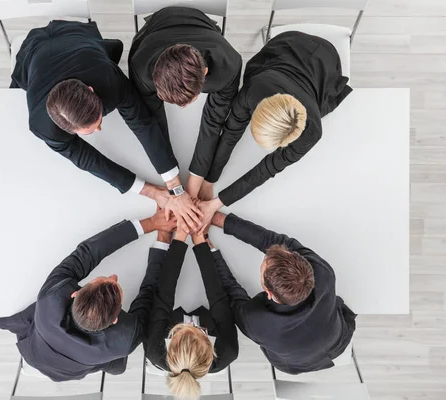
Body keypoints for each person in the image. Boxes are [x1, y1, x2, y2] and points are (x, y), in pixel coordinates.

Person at [11, 20, 201, 232]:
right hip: (35, 51)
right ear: (66, 129)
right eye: (90, 131)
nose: (100, 130)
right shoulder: (42, 126)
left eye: (99, 120)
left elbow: (142, 122)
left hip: (75, 35)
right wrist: (151, 192)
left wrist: (175, 186)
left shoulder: (109, 79)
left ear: (92, 91)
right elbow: (87, 159)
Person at [0, 209, 176, 381]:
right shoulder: (126, 337)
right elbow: (148, 293)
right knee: (118, 367)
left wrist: (152, 222)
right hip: (57, 361)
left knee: (117, 366)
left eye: (108, 280)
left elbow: (87, 252)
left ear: (75, 293)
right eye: (115, 283)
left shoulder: (52, 296)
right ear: (114, 321)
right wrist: (163, 241)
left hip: (44, 353)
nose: (114, 276)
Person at [196, 31, 353, 227]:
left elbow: (268, 168)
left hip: (325, 61)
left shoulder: (312, 132)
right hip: (290, 44)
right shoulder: (253, 90)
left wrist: (217, 203)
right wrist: (210, 178)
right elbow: (231, 132)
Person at [208, 211, 357, 375]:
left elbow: (231, 290)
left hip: (297, 361)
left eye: (263, 265)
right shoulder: (321, 272)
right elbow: (275, 242)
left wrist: (209, 249)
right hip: (336, 338)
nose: (265, 258)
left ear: (269, 292)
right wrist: (219, 219)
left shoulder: (255, 322)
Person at [128, 6, 242, 201]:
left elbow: (214, 122)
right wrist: (173, 185)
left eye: (188, 101)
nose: (182, 108)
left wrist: (194, 183)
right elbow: (152, 122)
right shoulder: (141, 68)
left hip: (203, 25)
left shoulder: (228, 67)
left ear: (205, 73)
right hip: (154, 28)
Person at [144, 223, 238, 400]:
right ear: (210, 347)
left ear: (171, 340)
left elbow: (164, 295)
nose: (192, 325)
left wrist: (180, 237)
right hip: (206, 315)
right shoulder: (228, 351)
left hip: (168, 331)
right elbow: (217, 296)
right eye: (198, 330)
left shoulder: (154, 351)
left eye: (183, 329)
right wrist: (199, 243)